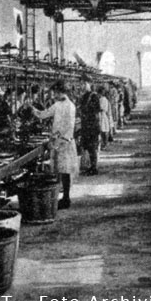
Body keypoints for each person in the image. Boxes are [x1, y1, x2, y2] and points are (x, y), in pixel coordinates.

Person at [28, 80, 78, 209]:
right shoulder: (68, 105)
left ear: (60, 92)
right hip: (65, 141)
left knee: (63, 171)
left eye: (55, 92)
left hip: (62, 142)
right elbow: (46, 115)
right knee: (63, 171)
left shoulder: (61, 105)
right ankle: (65, 197)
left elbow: (42, 115)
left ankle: (65, 198)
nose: (54, 95)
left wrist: (31, 109)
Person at [78, 75, 101, 175]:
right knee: (87, 146)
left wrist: (85, 112)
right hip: (86, 125)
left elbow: (96, 111)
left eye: (84, 83)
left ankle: (94, 168)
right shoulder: (84, 96)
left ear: (89, 84)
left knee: (92, 147)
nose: (82, 86)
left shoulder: (93, 96)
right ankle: (90, 166)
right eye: (81, 84)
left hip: (92, 126)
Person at [98, 85, 111, 149]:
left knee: (103, 129)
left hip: (102, 115)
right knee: (104, 129)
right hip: (103, 115)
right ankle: (104, 143)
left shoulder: (102, 99)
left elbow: (101, 108)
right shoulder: (104, 99)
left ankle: (104, 143)